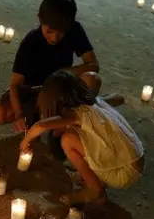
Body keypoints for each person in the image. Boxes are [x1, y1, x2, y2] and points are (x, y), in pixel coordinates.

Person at [0, 0, 118, 160]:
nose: (54, 37)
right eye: (49, 31)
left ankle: (63, 127)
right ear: (40, 20)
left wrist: (61, 74)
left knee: (92, 79)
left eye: (60, 33)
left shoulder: (75, 30)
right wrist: (19, 115)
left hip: (61, 88)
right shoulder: (31, 42)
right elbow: (14, 85)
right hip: (35, 95)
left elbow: (93, 65)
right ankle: (61, 122)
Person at [19, 71, 145, 205]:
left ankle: (94, 190)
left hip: (124, 172)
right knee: (74, 132)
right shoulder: (94, 103)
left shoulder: (76, 115)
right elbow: (117, 98)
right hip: (136, 160)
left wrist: (24, 142)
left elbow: (41, 126)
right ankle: (93, 176)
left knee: (68, 140)